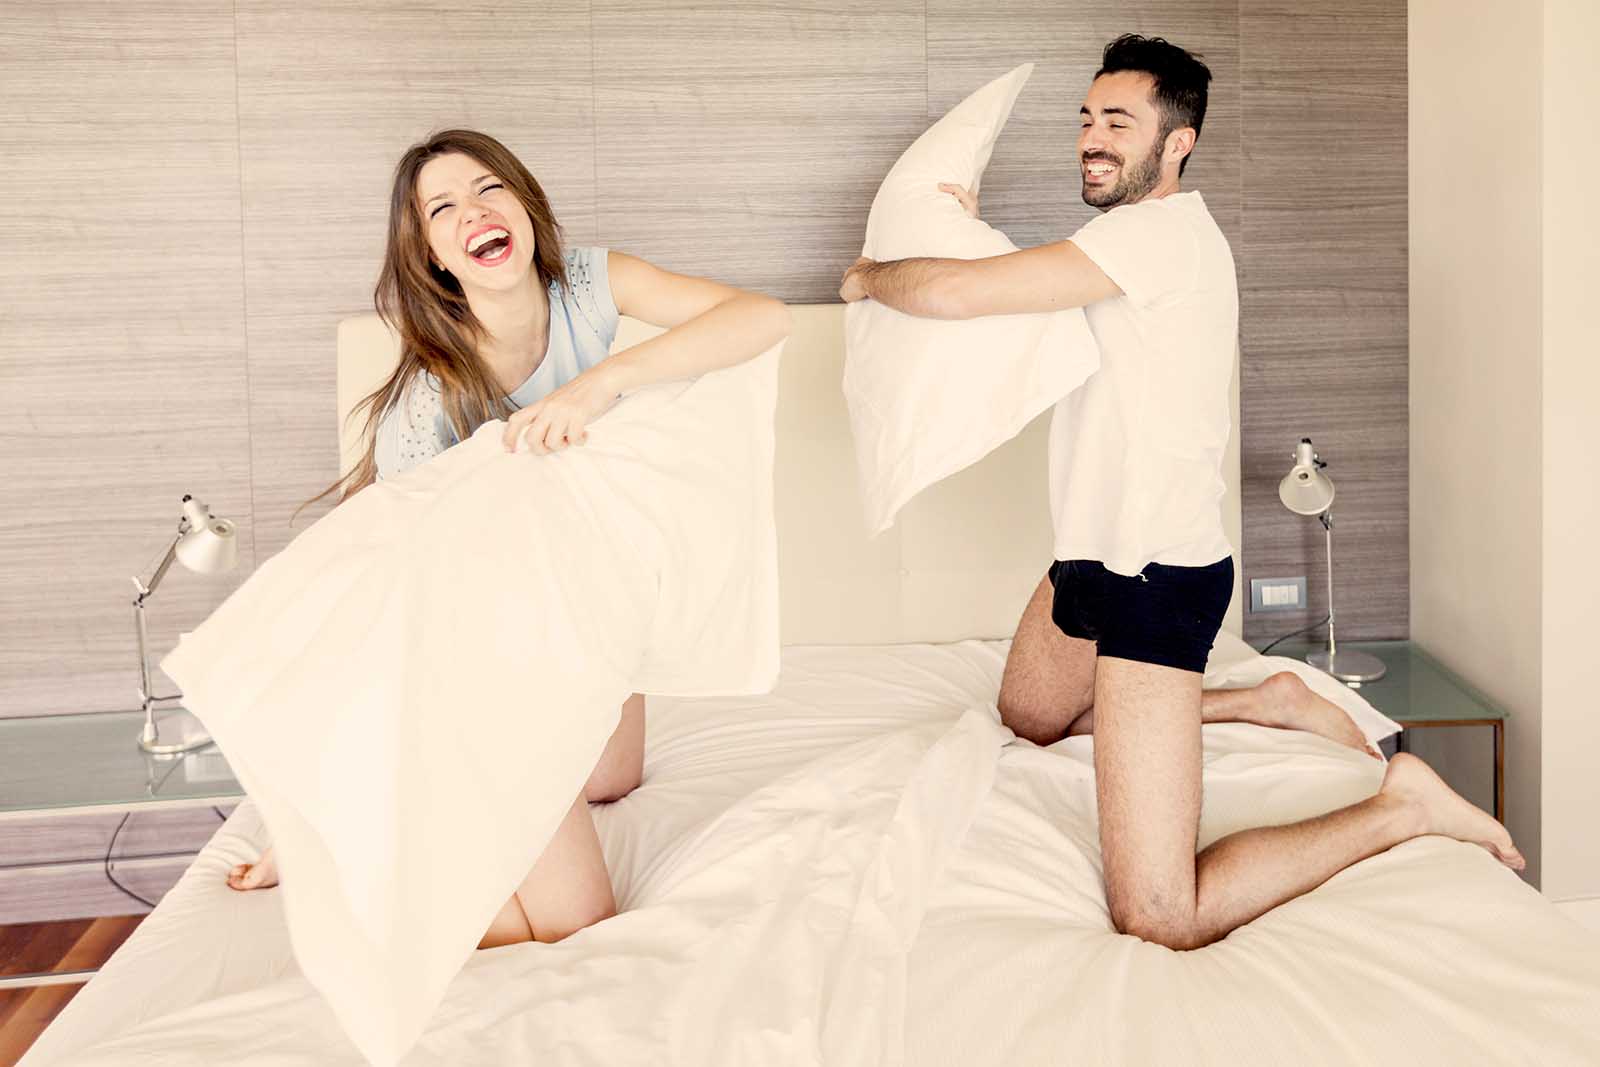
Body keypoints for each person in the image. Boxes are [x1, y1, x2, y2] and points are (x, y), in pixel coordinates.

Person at [840, 35, 1520, 950]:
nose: (1092, 138)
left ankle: (1402, 805)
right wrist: (963, 230)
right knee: (1029, 721)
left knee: (1162, 914)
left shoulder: (1157, 237)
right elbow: (1017, 302)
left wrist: (871, 277)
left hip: (1158, 582)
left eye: (1118, 123)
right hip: (1088, 557)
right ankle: (1269, 700)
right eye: (1086, 119)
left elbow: (962, 298)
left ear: (1178, 142)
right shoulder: (1119, 244)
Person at [227, 128, 791, 950]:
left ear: (525, 204)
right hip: (476, 653)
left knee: (613, 777)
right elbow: (393, 594)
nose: (474, 213)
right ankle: (356, 832)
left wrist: (602, 383)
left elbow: (761, 317)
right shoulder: (431, 402)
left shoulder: (586, 285)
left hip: (569, 611)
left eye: (489, 188)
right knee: (574, 924)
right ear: (433, 257)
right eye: (443, 209)